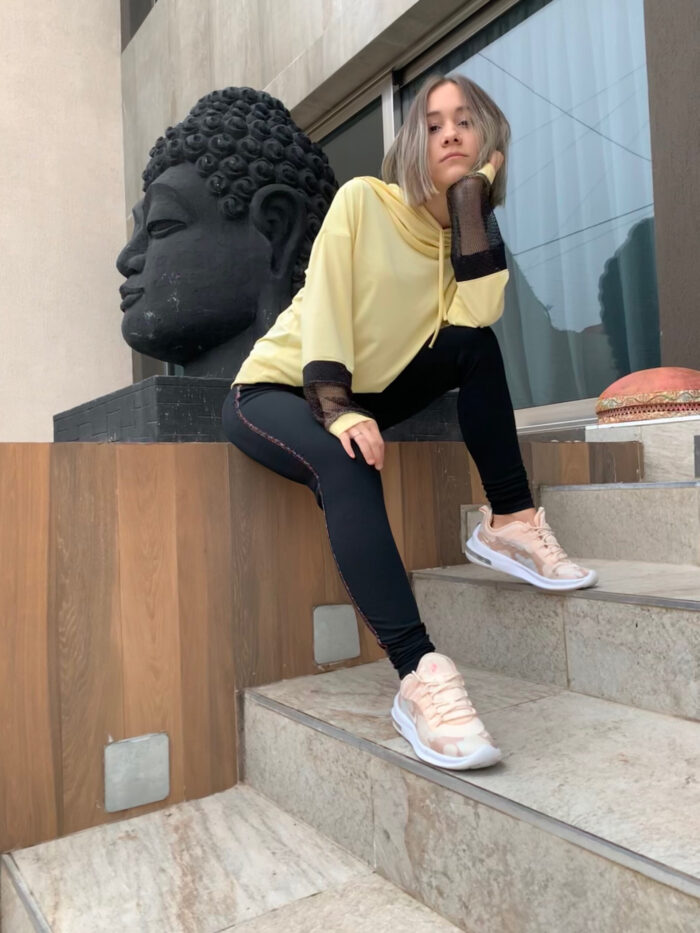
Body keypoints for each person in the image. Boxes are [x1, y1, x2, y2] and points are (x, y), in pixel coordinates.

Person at [222, 73, 597, 771]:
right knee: (346, 461)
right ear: (412, 144)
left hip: (367, 391)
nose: (449, 134)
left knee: (475, 348)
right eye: (431, 125)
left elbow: (477, 316)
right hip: (280, 388)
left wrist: (469, 201)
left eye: (464, 122)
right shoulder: (364, 201)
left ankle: (510, 521)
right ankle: (420, 673)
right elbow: (327, 298)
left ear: (488, 144)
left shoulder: (464, 237)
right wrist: (335, 408)